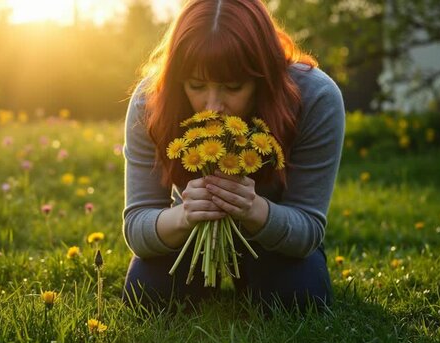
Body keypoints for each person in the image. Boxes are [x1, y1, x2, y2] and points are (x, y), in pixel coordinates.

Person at [122, 0, 345, 312]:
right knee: (148, 294)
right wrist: (184, 215)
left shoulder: (315, 97)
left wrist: (252, 208)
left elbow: (307, 228)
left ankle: (255, 278)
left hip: (272, 233)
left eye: (234, 86)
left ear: (264, 76)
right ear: (177, 77)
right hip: (186, 232)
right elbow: (137, 226)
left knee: (301, 297)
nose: (213, 106)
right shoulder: (151, 100)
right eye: (197, 85)